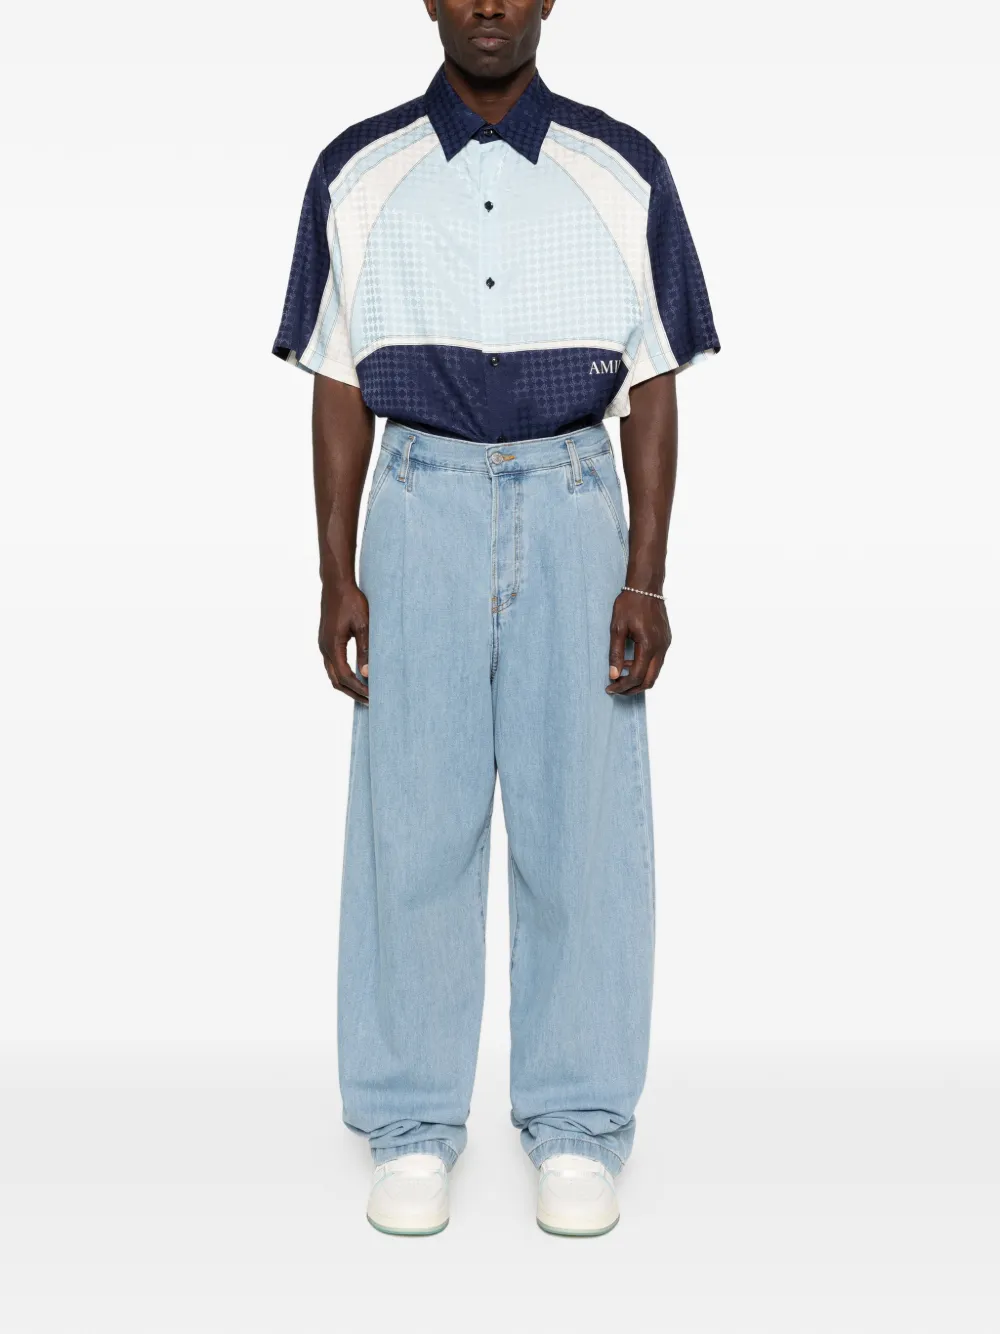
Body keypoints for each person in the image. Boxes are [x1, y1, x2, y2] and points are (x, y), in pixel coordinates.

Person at [272, 0, 720, 1237]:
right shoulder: (357, 171)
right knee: (411, 819)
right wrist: (335, 572)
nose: (488, 5)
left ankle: (576, 1119)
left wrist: (645, 577)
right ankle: (411, 1120)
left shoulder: (621, 169)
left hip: (576, 502)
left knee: (582, 823)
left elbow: (654, 382)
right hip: (416, 505)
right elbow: (337, 380)